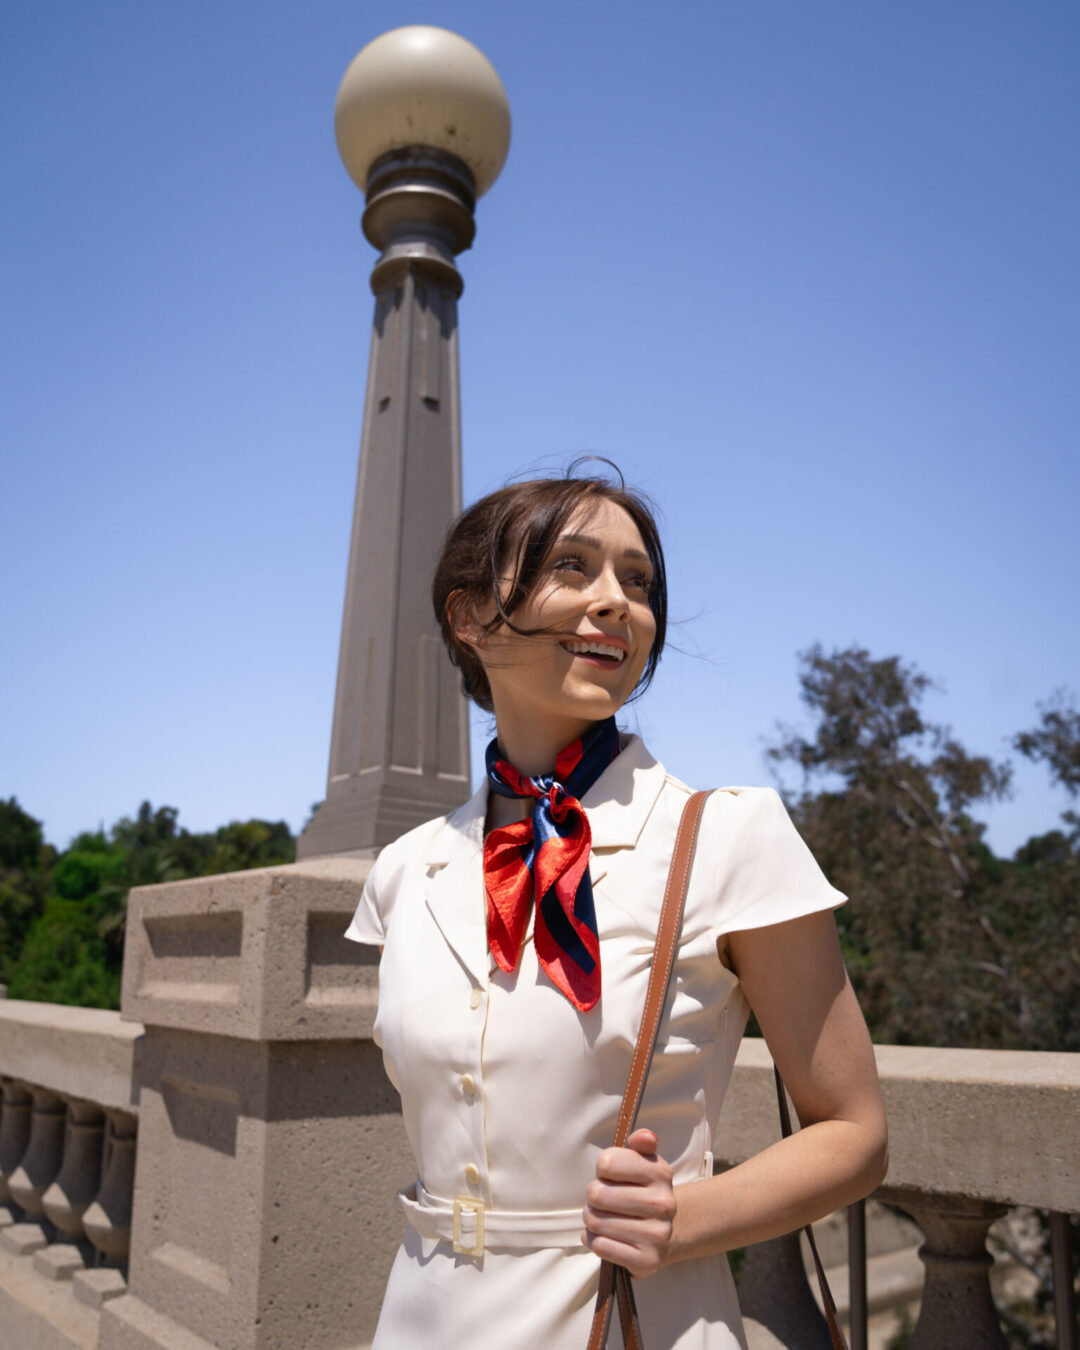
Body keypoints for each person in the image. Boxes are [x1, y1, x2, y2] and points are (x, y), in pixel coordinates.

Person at [345, 467, 888, 1349]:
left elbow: (855, 1133)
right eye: (574, 567)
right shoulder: (408, 871)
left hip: (637, 1320)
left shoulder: (729, 838)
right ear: (470, 617)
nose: (618, 604)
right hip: (421, 1318)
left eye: (638, 582)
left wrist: (688, 1215)